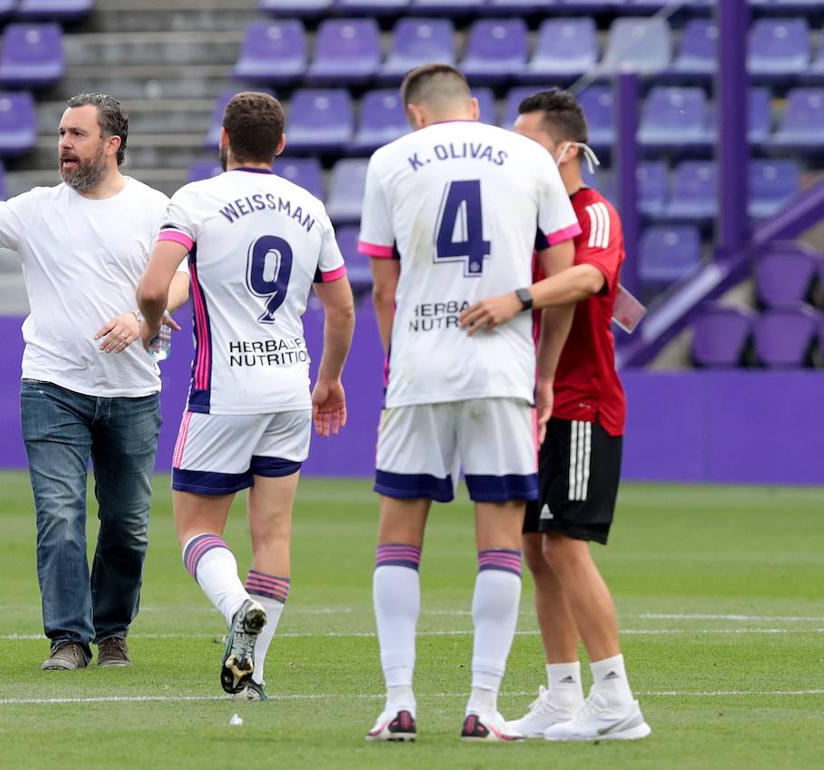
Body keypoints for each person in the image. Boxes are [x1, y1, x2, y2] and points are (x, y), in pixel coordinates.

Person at [358, 64, 580, 742]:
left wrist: (398, 366)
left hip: (421, 371)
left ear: (416, 115)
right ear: (475, 106)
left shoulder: (390, 160)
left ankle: (398, 702)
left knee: (399, 537)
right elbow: (564, 275)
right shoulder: (529, 157)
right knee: (501, 544)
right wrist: (543, 375)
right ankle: (482, 707)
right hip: (502, 372)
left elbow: (383, 289)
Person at [0, 94, 191, 671]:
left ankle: (114, 632)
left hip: (132, 392)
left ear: (112, 145)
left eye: (77, 134)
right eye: (61, 134)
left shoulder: (155, 208)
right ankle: (69, 639)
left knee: (127, 525)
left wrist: (143, 318)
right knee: (60, 515)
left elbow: (182, 279)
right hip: (52, 387)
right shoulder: (37, 208)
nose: (64, 145)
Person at [137, 92, 356, 701]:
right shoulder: (311, 207)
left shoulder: (197, 199)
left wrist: (152, 322)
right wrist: (330, 380)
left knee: (195, 529)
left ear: (224, 140)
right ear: (280, 145)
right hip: (290, 387)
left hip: (223, 389)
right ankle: (251, 677)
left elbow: (156, 285)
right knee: (274, 535)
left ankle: (236, 608)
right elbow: (340, 307)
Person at [459, 88, 652, 741]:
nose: (517, 153)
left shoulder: (593, 213)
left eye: (530, 141)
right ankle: (564, 694)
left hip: (582, 403)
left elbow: (591, 279)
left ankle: (617, 699)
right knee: (536, 549)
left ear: (567, 150)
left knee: (565, 543)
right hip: (535, 405)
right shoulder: (529, 216)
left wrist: (517, 297)